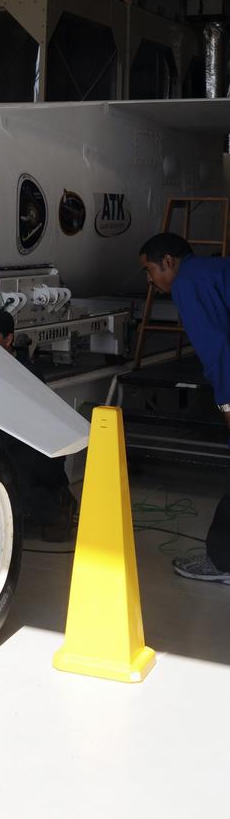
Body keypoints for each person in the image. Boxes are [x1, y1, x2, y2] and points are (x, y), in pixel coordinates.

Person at [139, 232, 230, 584]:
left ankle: (222, 562)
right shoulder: (213, 272)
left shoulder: (187, 285)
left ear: (169, 262)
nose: (150, 280)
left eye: (150, 270)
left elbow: (218, 349)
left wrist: (226, 402)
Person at [0, 308, 77, 542]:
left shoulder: (27, 373)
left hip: (30, 448)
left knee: (20, 467)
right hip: (4, 441)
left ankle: (58, 506)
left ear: (8, 339)